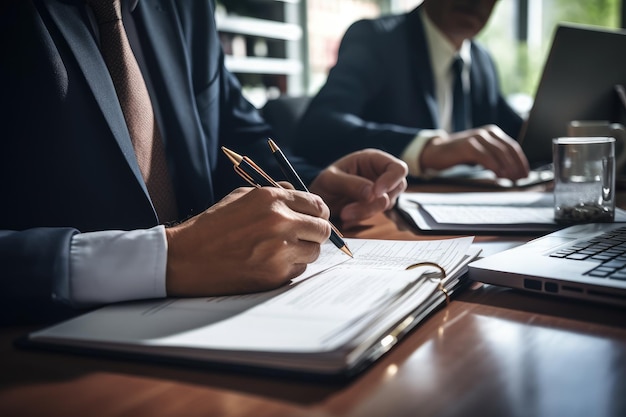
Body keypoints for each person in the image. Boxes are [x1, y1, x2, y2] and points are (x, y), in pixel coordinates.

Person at [0, 0, 408, 324]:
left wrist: (312, 185)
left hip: (216, 322)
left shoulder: (186, 6)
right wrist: (166, 257)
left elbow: (232, 131)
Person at [294, 0, 530, 182]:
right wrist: (427, 149)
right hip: (389, 218)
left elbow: (519, 135)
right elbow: (318, 129)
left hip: (470, 216)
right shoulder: (377, 40)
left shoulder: (482, 61)